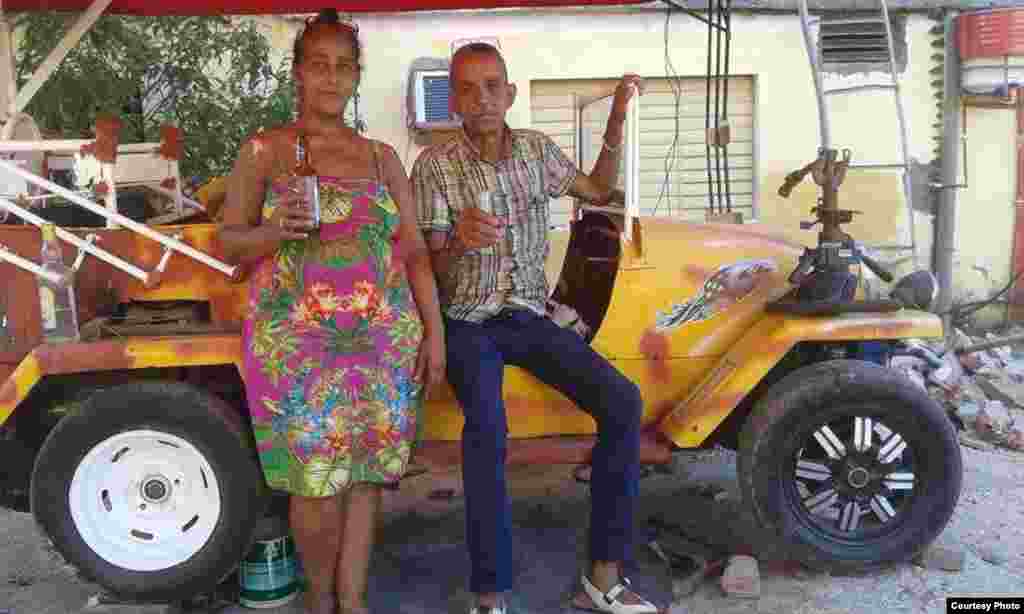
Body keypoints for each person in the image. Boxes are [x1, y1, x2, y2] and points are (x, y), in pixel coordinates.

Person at [410, 42, 658, 614]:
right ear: (453, 100)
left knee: (623, 402)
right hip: (467, 318)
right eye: (468, 88)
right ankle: (491, 595)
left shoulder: (536, 152)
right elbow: (429, 269)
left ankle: (603, 577)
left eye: (493, 85)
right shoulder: (434, 167)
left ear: (511, 94)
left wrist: (616, 120)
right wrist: (460, 246)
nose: (483, 98)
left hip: (526, 313)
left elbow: (597, 190)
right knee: (488, 428)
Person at [218, 9, 446, 614]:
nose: (330, 77)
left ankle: (354, 602)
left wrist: (435, 336)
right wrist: (272, 231)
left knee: (368, 474)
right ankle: (319, 604)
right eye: (318, 64)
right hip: (298, 348)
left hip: (383, 343)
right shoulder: (266, 150)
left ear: (355, 78)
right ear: (297, 73)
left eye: (343, 66)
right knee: (314, 484)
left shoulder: (381, 159)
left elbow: (415, 252)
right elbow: (228, 242)